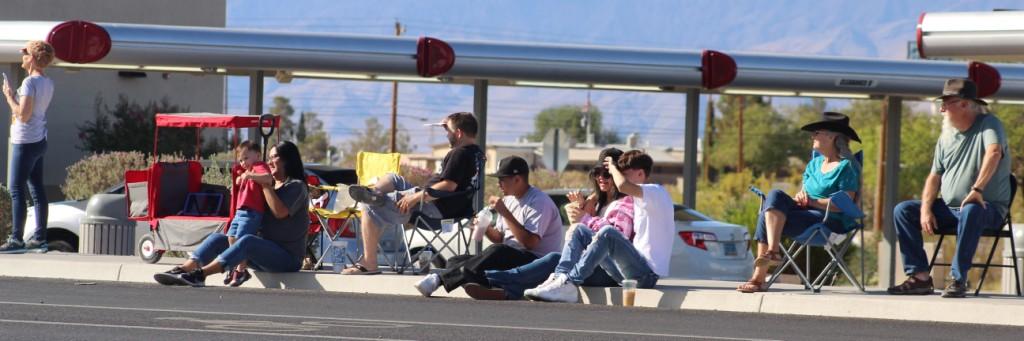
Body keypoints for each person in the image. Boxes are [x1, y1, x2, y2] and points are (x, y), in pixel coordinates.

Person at [887, 78, 1011, 298]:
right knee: (903, 210)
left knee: (971, 208)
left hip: (986, 208)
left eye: (947, 103)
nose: (941, 109)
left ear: (964, 104)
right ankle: (920, 277)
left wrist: (977, 191)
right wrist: (925, 208)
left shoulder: (989, 124)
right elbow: (934, 176)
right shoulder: (945, 137)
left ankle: (958, 278)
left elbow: (994, 152)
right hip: (949, 208)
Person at [471, 148, 631, 300]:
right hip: (587, 263)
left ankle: (489, 277)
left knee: (552, 259)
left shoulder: (625, 205)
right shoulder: (594, 202)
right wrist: (585, 211)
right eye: (597, 173)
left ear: (619, 175)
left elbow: (615, 242)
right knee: (555, 259)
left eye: (607, 173)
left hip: (610, 271)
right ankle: (508, 290)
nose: (601, 177)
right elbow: (580, 238)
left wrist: (587, 218)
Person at [524, 150, 674, 303]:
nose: (617, 179)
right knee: (580, 231)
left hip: (646, 275)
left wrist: (613, 166)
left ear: (641, 174)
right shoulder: (638, 199)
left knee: (608, 232)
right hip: (626, 271)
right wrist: (591, 200)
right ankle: (559, 278)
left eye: (623, 174)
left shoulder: (656, 192)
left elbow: (622, 187)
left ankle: (570, 282)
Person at [342, 112, 482, 275]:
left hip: (432, 209)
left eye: (448, 131)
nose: (447, 135)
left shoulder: (459, 153)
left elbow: (448, 186)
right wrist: (450, 123)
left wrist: (415, 197)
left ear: (458, 133)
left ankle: (369, 262)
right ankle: (376, 194)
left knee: (368, 206)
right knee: (393, 178)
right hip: (451, 208)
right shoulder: (477, 154)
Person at [153, 141, 310, 287]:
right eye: (268, 158)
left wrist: (264, 183)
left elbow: (280, 212)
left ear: (287, 160)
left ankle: (200, 275)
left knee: (247, 241)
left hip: (287, 258)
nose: (269, 162)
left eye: (274, 157)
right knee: (216, 239)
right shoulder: (270, 184)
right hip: (262, 253)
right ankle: (184, 269)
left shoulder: (296, 186)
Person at [736, 112, 862, 293]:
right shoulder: (813, 165)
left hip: (829, 220)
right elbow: (804, 191)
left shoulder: (846, 167)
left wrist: (813, 201)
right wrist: (801, 197)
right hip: (806, 213)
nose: (813, 136)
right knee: (774, 196)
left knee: (766, 216)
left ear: (832, 136)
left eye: (817, 132)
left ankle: (759, 278)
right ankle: (773, 251)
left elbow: (844, 203)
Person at [413, 156, 563, 297]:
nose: (498, 184)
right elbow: (499, 238)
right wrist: (484, 227)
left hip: (535, 263)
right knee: (455, 261)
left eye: (502, 180)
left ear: (517, 179)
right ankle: (491, 285)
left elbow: (530, 243)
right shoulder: (509, 200)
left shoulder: (539, 202)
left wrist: (504, 212)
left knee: (498, 251)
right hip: (511, 256)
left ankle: (440, 279)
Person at [0, 41, 56, 254]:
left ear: (32, 59)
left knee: (15, 189)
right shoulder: (47, 82)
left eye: (25, 54)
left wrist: (8, 97)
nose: (22, 56)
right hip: (39, 139)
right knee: (37, 189)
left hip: (25, 142)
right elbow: (32, 111)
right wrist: (16, 97)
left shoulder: (30, 83)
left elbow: (23, 116)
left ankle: (16, 239)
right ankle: (40, 238)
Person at [223, 141, 272, 286]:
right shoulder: (247, 171)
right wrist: (240, 180)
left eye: (246, 158)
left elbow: (268, 178)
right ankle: (235, 266)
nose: (243, 162)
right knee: (231, 238)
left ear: (257, 155)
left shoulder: (258, 166)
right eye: (241, 159)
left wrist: (250, 176)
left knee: (241, 240)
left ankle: (241, 270)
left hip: (252, 212)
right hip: (240, 212)